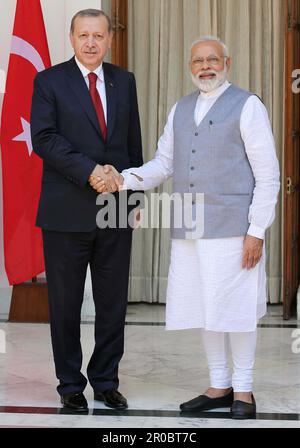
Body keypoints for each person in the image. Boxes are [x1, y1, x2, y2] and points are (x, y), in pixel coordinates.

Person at [91, 36, 280, 419]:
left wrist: (257, 230)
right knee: (208, 308)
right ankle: (218, 386)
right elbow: (163, 164)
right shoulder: (181, 107)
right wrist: (122, 179)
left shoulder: (248, 106)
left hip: (233, 228)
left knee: (237, 309)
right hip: (189, 227)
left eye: (213, 59)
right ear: (190, 66)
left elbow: (269, 176)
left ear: (227, 62)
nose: (205, 66)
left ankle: (243, 390)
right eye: (198, 61)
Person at [30, 9, 143, 412]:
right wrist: (90, 171)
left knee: (113, 302)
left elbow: (132, 144)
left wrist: (133, 195)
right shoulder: (49, 81)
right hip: (66, 212)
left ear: (110, 38)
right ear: (72, 38)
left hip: (115, 209)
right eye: (84, 35)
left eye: (98, 35)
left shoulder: (123, 80)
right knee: (65, 304)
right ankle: (70, 385)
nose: (91, 42)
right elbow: (43, 138)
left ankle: (106, 380)